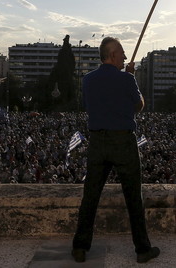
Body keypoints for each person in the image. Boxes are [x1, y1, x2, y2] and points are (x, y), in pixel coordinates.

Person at [72, 37, 160, 264]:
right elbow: (138, 106)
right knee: (133, 198)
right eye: (122, 53)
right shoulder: (127, 79)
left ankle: (80, 247)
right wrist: (131, 79)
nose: (125, 57)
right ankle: (142, 249)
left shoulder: (88, 80)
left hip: (97, 142)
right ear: (112, 55)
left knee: (90, 196)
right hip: (123, 142)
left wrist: (126, 78)